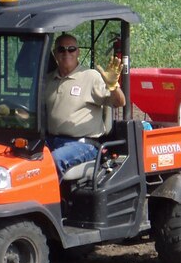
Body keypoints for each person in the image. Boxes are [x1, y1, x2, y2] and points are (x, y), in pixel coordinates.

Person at [44, 33, 125, 178]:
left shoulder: (90, 76)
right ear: (55, 53)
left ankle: (46, 199)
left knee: (53, 161)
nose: (66, 53)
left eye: (71, 49)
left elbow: (119, 102)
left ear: (78, 52)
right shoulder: (49, 79)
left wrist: (113, 86)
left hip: (83, 144)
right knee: (23, 160)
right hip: (50, 140)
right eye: (61, 49)